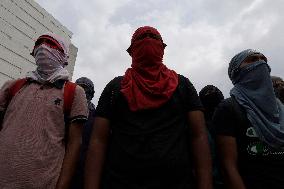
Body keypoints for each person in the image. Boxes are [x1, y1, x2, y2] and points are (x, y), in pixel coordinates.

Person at [85, 26, 212, 189]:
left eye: (153, 37)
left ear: (163, 48)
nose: (148, 39)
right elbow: (98, 140)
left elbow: (199, 136)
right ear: (131, 51)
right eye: (142, 37)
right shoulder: (115, 87)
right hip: (120, 182)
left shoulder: (183, 85)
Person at [0, 32, 88, 189]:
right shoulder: (13, 87)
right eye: (39, 44)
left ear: (64, 56)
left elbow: (75, 143)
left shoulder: (74, 92)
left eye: (51, 44)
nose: (43, 47)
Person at [213, 49, 284, 189]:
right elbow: (228, 166)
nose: (261, 63)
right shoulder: (228, 108)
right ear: (236, 71)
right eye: (252, 60)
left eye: (263, 59)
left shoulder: (280, 108)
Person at [71, 77, 96, 189]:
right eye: (79, 88)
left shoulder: (96, 117)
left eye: (85, 89)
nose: (82, 92)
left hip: (83, 167)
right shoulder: (65, 110)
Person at [199, 85, 224, 189]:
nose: (212, 93)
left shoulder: (230, 115)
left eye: (214, 91)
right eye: (208, 92)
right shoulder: (200, 127)